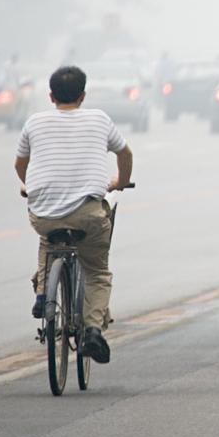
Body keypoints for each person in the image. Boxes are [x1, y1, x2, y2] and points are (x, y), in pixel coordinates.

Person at [15, 66, 134, 364]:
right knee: (96, 270)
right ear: (83, 95)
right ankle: (93, 330)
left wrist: (29, 186)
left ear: (51, 95)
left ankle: (43, 295)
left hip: (43, 213)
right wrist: (120, 181)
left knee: (48, 240)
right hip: (88, 213)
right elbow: (125, 154)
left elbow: (20, 163)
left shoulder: (34, 122)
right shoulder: (99, 118)